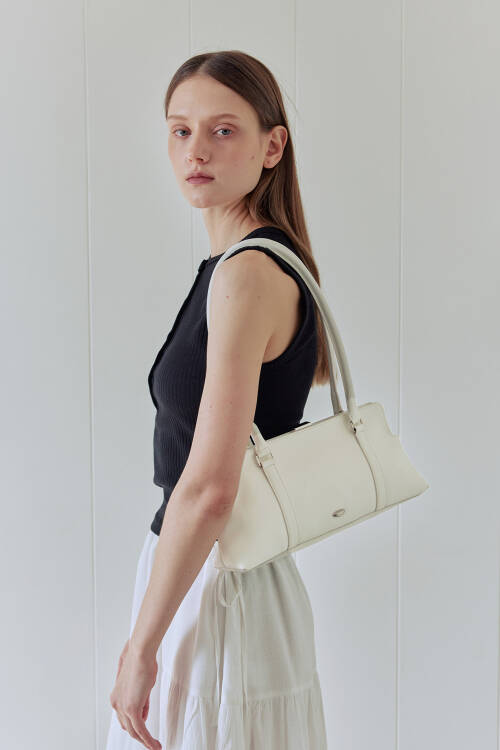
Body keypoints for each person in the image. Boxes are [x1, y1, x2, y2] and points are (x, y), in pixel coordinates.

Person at [105, 49, 332, 750]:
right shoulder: (246, 265)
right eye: (180, 130)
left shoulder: (247, 275)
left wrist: (141, 646)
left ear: (273, 145)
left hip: (218, 585)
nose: (195, 150)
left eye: (222, 130)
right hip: (213, 576)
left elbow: (208, 489)